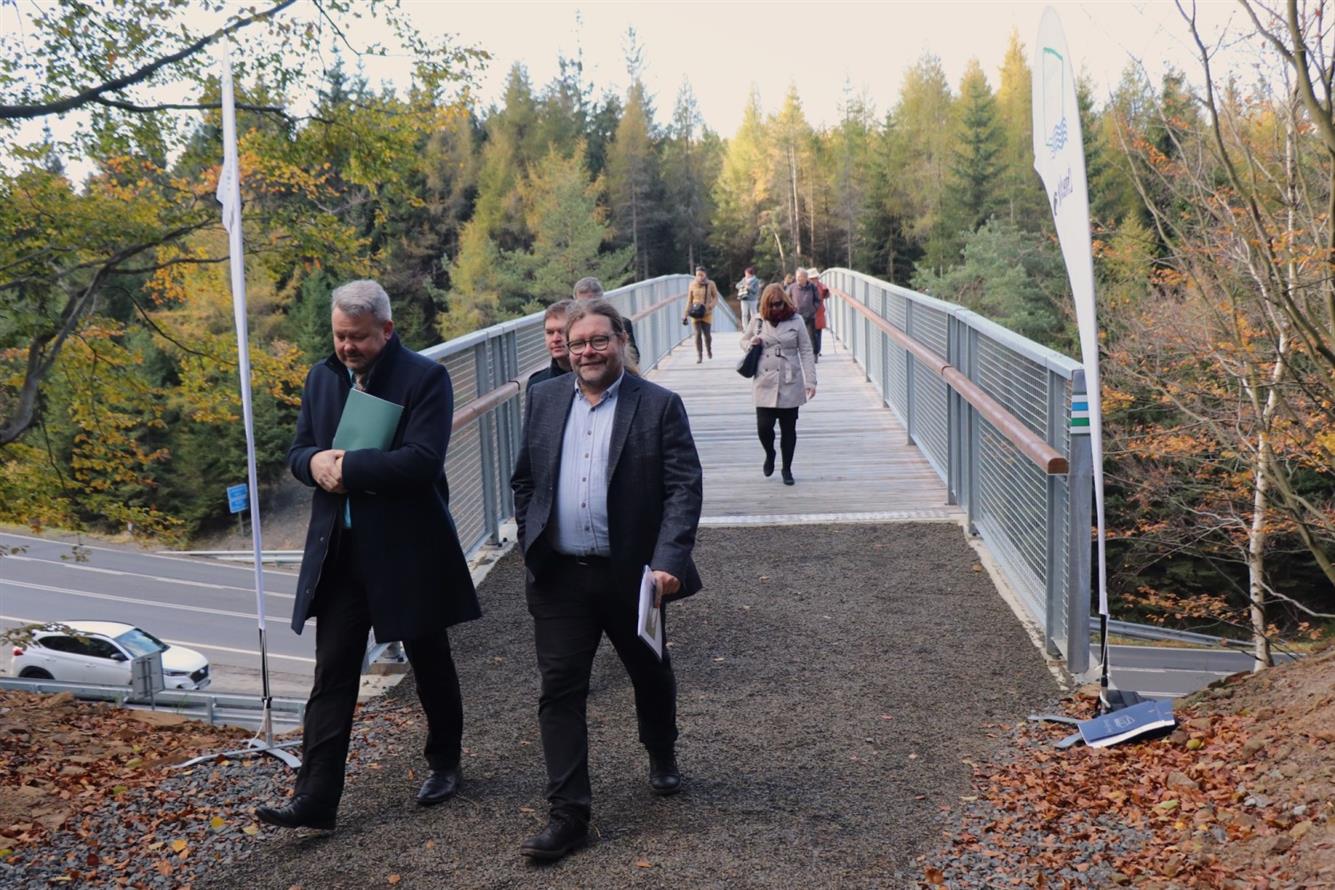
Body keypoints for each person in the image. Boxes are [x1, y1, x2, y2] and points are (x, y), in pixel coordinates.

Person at [257, 279, 481, 832]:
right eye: (340, 336)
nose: (347, 347)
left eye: (358, 337)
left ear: (386, 329)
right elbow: (298, 451)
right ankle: (316, 798)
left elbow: (421, 462)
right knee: (332, 674)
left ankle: (445, 762)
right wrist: (313, 465)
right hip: (341, 552)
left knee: (430, 661)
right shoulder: (321, 377)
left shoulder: (424, 378)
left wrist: (347, 468)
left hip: (407, 549)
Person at [511, 298, 704, 862]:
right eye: (578, 343)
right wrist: (530, 535)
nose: (587, 352)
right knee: (559, 691)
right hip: (560, 576)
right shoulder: (543, 399)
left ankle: (661, 750)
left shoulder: (659, 405)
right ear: (565, 349)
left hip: (633, 577)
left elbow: (682, 489)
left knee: (650, 671)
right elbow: (525, 479)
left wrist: (668, 561)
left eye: (599, 340)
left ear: (621, 340)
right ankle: (568, 814)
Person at [740, 283, 816, 486]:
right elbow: (743, 340)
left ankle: (787, 468)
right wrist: (751, 343)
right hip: (764, 380)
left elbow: (807, 351)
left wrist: (811, 381)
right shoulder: (757, 321)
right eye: (773, 305)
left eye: (780, 304)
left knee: (788, 428)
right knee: (763, 427)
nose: (776, 308)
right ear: (766, 304)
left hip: (790, 380)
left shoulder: (796, 320)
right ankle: (770, 453)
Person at [573, 276, 639, 363]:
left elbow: (634, 358)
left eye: (593, 303)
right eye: (583, 303)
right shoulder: (570, 327)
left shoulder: (621, 324)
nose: (587, 307)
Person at [528, 300, 574, 389]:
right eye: (550, 332)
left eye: (562, 331)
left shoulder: (599, 379)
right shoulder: (537, 384)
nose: (555, 339)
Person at [682, 266, 721, 363]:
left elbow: (716, 297)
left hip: (706, 313)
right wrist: (685, 314)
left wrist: (711, 306)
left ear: (705, 274)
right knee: (697, 334)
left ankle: (709, 349)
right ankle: (699, 356)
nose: (700, 277)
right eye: (698, 275)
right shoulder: (692, 285)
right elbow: (689, 301)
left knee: (707, 335)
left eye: (701, 275)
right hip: (695, 313)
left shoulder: (711, 284)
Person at [787, 268, 821, 366]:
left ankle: (814, 354)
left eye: (800, 277)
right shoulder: (791, 287)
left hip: (810, 316)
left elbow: (818, 300)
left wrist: (813, 309)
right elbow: (786, 299)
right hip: (795, 316)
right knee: (794, 337)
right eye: (797, 277)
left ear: (806, 278)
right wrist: (791, 310)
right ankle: (794, 356)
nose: (798, 279)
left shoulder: (812, 287)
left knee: (811, 337)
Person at [808, 268, 828, 362]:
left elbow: (825, 293)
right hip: (810, 314)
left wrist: (826, 293)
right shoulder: (807, 287)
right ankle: (813, 352)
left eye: (815, 278)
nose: (813, 280)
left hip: (819, 313)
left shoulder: (820, 286)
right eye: (812, 278)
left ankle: (816, 351)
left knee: (817, 334)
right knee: (811, 334)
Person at [735, 266, 761, 330]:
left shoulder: (756, 281)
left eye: (747, 273)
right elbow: (737, 285)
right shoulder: (744, 279)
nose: (745, 274)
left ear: (750, 274)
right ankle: (745, 328)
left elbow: (756, 291)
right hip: (744, 298)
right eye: (745, 273)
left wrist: (749, 288)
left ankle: (754, 327)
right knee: (744, 314)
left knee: (753, 314)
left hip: (752, 300)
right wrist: (742, 286)